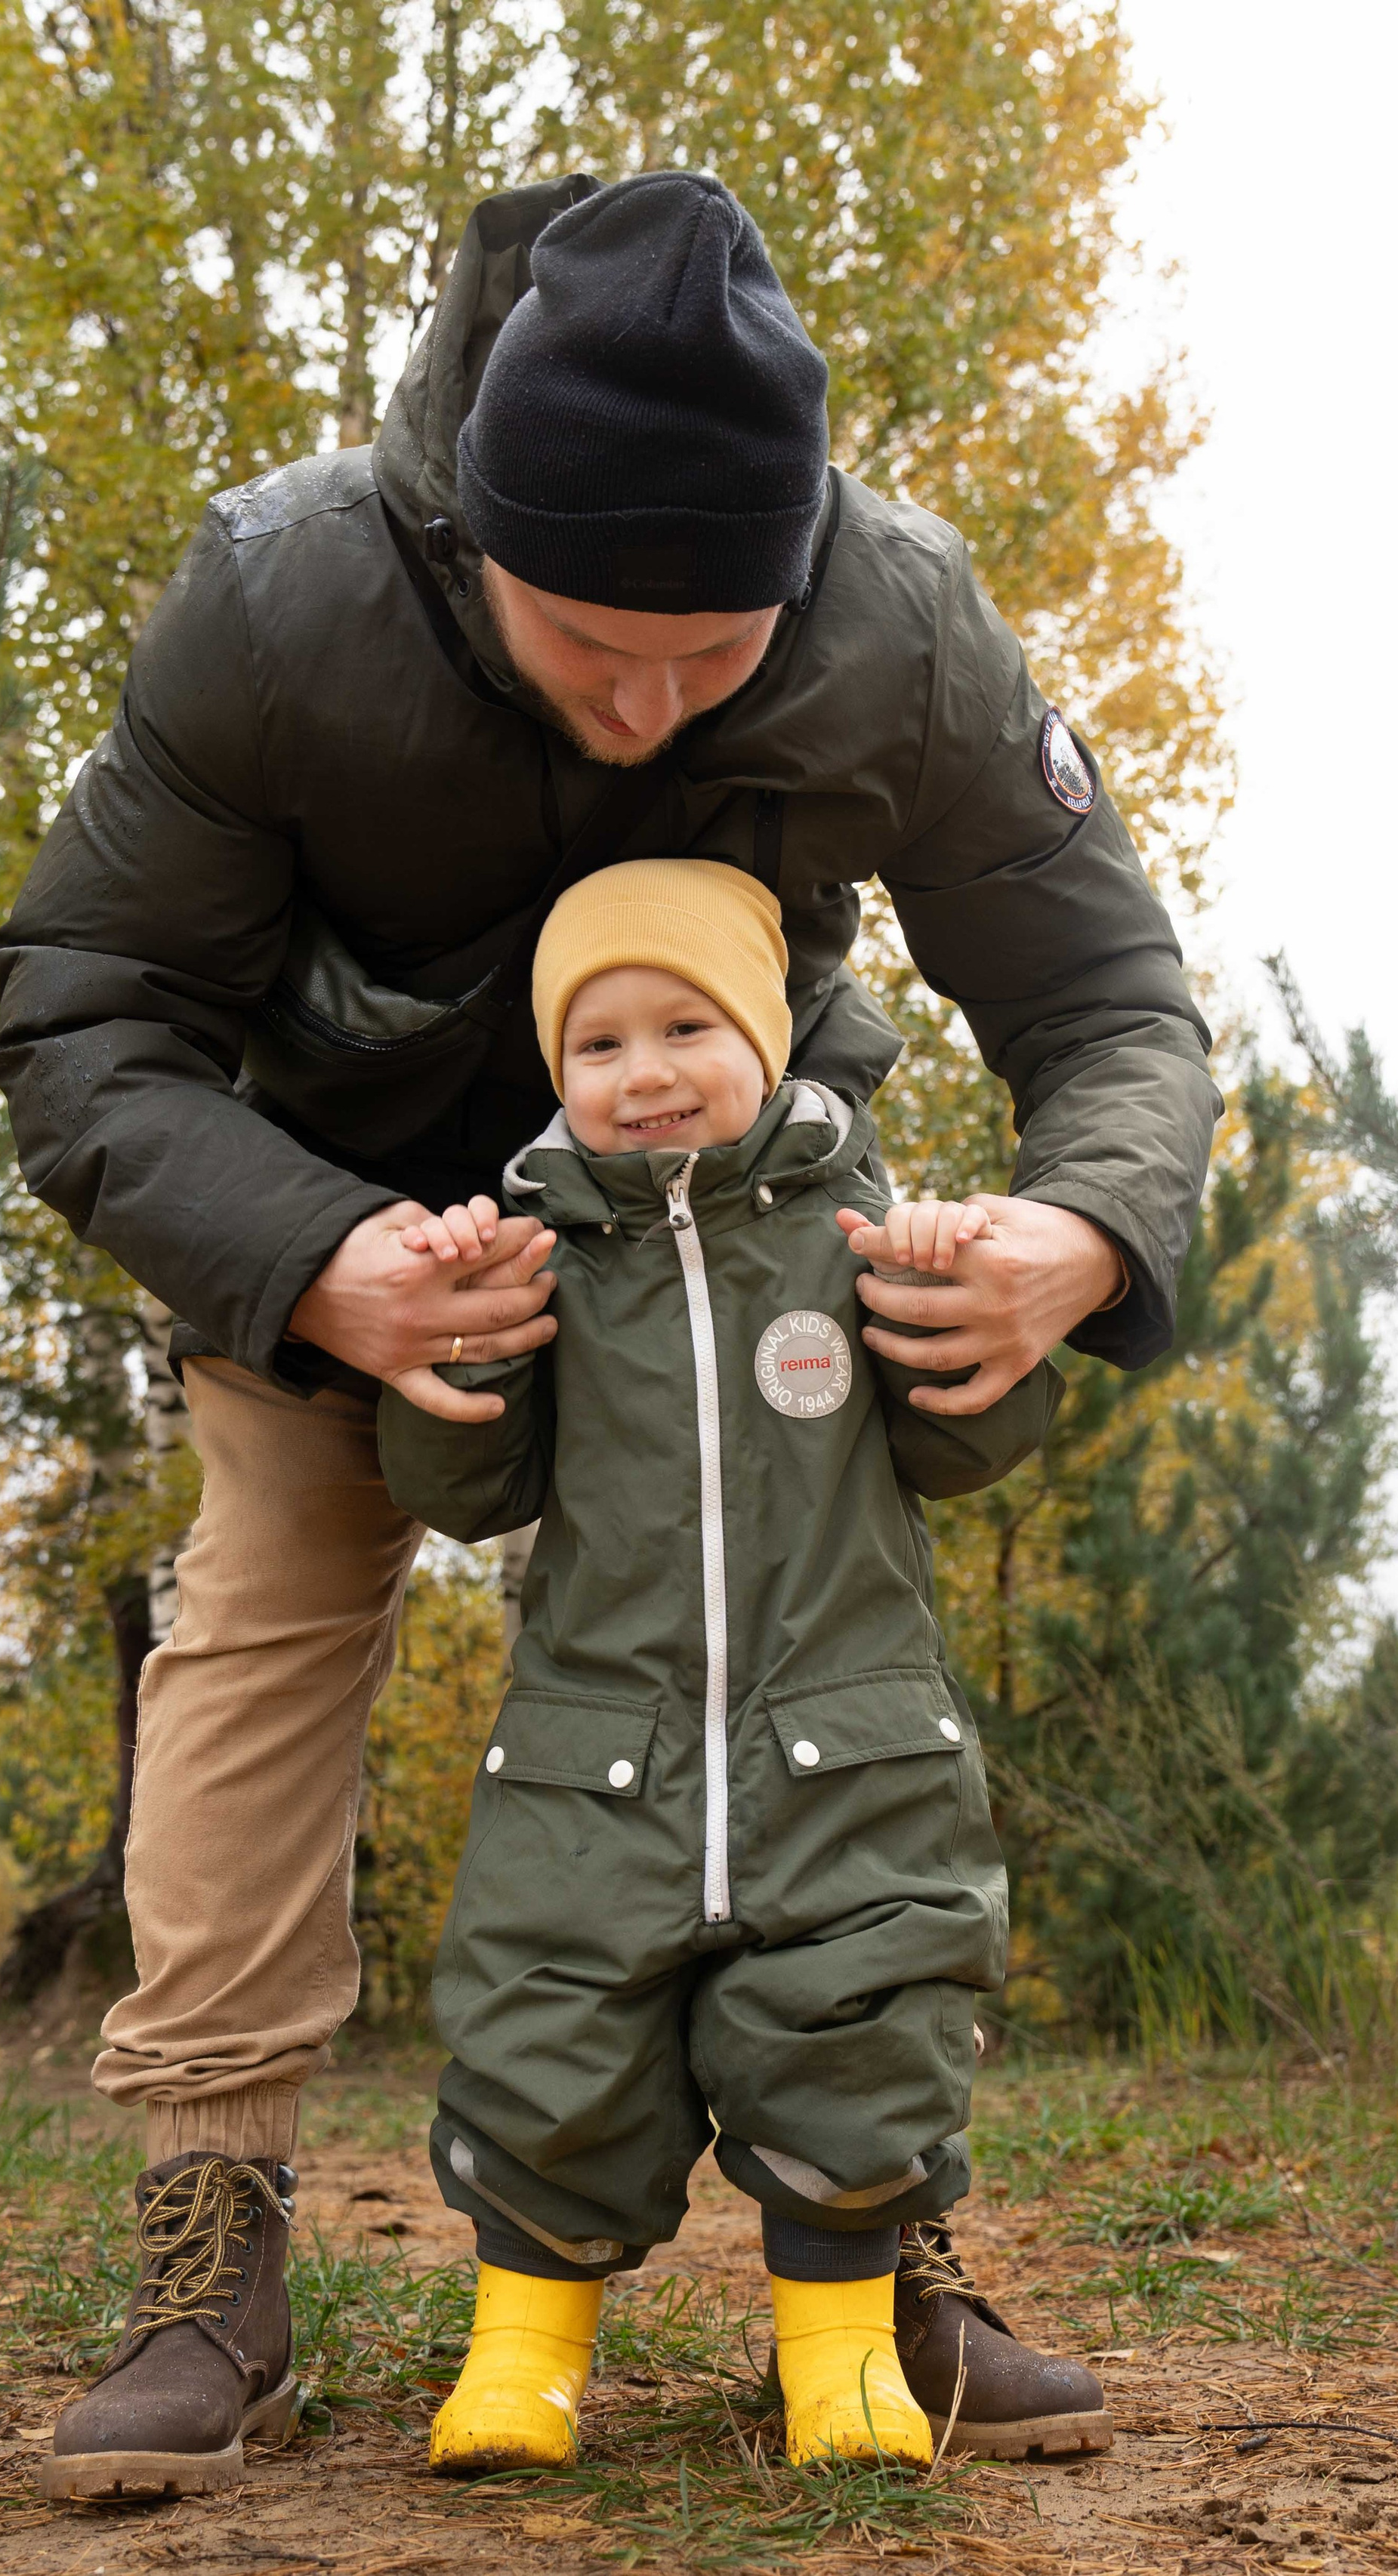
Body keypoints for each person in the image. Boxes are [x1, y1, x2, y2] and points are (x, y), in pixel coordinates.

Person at [0, 168, 1219, 2504]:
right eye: (590, 646)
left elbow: (1110, 994)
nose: (655, 710)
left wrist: (1081, 1227)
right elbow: (81, 1007)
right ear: (473, 545)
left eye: (718, 651)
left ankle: (881, 2239)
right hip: (345, 1204)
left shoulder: (910, 624)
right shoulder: (279, 603)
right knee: (260, 1614)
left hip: (746, 1237)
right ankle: (213, 2237)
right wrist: (320, 1255)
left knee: (826, 1684)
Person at [372, 858, 1108, 2475]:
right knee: (546, 2027)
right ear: (556, 1073)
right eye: (598, 1044)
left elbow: (967, 1442)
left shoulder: (859, 1229)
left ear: (768, 1037)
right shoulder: (541, 1251)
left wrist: (942, 1287)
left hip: (839, 1737)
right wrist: (461, 1332)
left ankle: (839, 2356)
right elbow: (463, 1487)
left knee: (852, 2024)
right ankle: (520, 2356)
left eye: (684, 1023)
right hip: (593, 1748)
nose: (641, 1074)